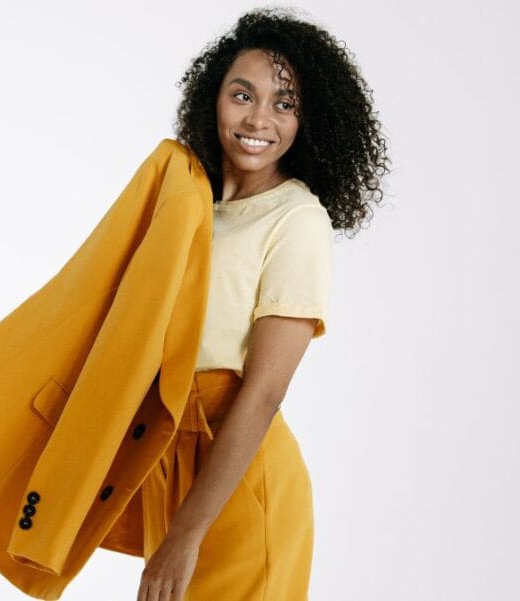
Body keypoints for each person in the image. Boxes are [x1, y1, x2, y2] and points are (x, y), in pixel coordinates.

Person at [134, 8, 389, 600]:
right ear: (212, 99)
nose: (258, 119)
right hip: (173, 468)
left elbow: (265, 391)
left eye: (284, 103)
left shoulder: (297, 220)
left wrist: (186, 535)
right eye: (242, 95)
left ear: (308, 119)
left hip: (240, 478)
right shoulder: (194, 208)